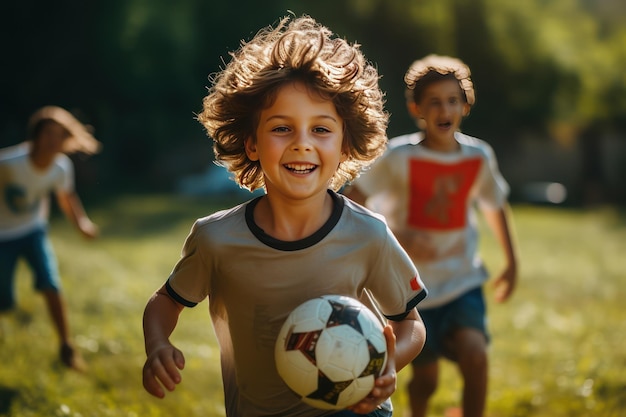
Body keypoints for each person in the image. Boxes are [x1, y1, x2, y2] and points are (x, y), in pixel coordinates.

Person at [141, 15, 428, 417]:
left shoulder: (368, 234)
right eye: (281, 129)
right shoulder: (216, 239)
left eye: (321, 130)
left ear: (345, 145)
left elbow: (411, 324)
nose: (302, 144)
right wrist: (157, 344)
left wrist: (386, 368)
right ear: (252, 144)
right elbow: (165, 301)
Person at [343, 55, 518, 417]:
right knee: (426, 380)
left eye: (453, 100)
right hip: (410, 289)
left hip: (461, 281)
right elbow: (352, 202)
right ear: (416, 108)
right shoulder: (396, 157)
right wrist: (396, 237)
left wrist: (512, 262)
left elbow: (495, 206)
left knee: (475, 354)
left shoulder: (478, 156)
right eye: (434, 101)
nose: (445, 108)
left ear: (465, 106)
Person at [0, 105, 101, 371]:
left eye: (59, 135)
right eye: (47, 134)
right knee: (4, 301)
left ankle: (67, 347)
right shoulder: (8, 164)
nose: (53, 140)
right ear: (35, 135)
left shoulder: (60, 167)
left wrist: (82, 224)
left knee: (51, 284)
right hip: (2, 237)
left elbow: (67, 198)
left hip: (33, 230)